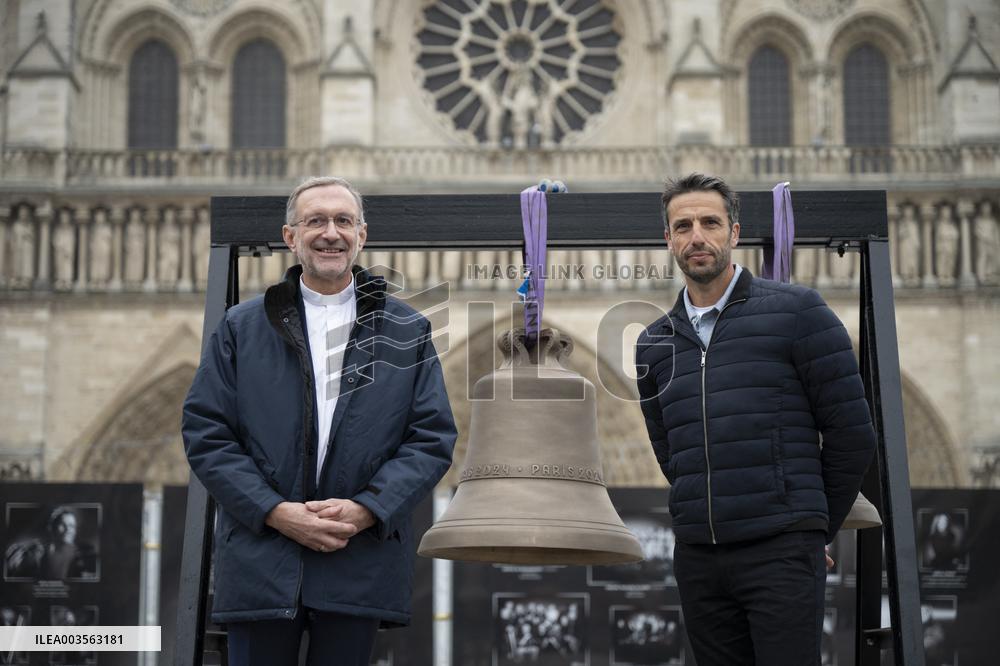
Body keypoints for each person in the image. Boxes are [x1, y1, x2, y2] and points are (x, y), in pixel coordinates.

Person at [182, 175, 456, 666]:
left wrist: (368, 509)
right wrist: (273, 510)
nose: (331, 233)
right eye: (316, 221)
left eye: (343, 221)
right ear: (291, 237)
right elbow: (207, 433)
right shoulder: (241, 327)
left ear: (361, 235)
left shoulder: (408, 330)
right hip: (262, 558)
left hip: (357, 556)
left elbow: (430, 439)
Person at [635, 173, 876, 665]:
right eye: (683, 226)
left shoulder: (798, 312)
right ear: (668, 240)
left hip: (780, 552)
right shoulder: (653, 343)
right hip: (699, 557)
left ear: (735, 233)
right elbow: (671, 451)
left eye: (710, 223)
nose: (696, 237)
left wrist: (809, 529)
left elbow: (852, 434)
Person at [3, 506, 97, 580]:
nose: (68, 529)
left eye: (72, 526)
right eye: (63, 524)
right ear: (51, 527)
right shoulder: (35, 551)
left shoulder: (84, 553)